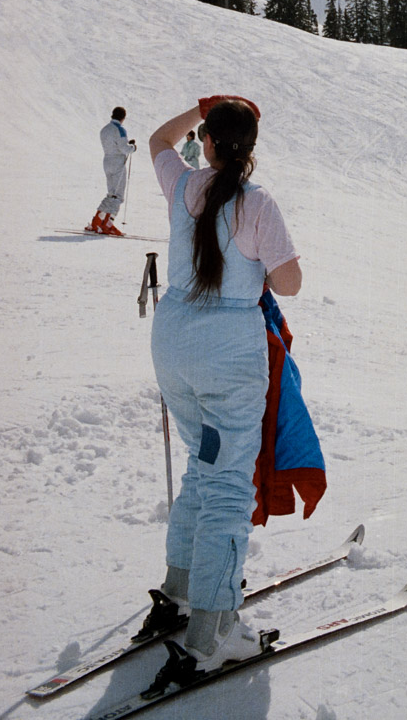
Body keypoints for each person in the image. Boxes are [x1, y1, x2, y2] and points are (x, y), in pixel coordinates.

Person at [142, 93, 301, 684]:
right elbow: (291, 282)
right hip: (228, 351)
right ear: (251, 150)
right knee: (230, 485)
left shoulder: (184, 186)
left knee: (202, 464)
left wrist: (196, 108)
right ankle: (213, 630)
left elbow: (157, 141)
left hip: (173, 342)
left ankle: (179, 591)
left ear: (206, 142)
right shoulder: (258, 204)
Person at [88, 107, 137, 235]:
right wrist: (133, 147)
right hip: (117, 162)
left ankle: (97, 221)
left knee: (111, 193)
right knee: (118, 195)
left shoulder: (104, 129)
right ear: (123, 118)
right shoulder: (120, 129)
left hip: (107, 160)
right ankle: (107, 224)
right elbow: (124, 149)